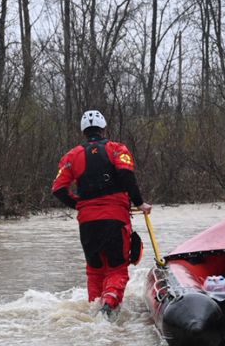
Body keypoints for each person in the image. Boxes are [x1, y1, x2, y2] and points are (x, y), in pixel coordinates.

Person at [52, 110, 153, 319]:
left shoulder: (71, 156)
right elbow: (126, 174)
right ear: (104, 128)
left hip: (87, 222)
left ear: (83, 132)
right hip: (115, 218)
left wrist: (79, 205)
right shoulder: (117, 149)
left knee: (95, 270)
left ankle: (93, 310)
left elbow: (58, 189)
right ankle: (108, 306)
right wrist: (139, 203)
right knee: (117, 268)